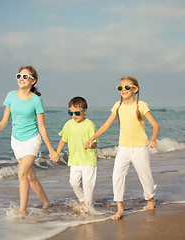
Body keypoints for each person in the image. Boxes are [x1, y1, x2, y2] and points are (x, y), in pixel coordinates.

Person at [84, 76, 160, 220]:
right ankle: (119, 209)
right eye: (120, 87)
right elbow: (106, 125)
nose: (123, 90)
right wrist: (91, 139)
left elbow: (155, 125)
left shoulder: (141, 105)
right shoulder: (117, 106)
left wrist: (153, 139)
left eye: (127, 87)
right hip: (123, 148)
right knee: (117, 176)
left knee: (145, 176)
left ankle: (150, 199)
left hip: (140, 148)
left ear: (135, 89)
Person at [0, 65, 58, 214]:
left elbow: (42, 127)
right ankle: (46, 202)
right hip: (16, 141)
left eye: (25, 76)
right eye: (19, 76)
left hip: (32, 140)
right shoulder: (11, 96)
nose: (21, 79)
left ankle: (22, 211)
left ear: (33, 81)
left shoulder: (36, 100)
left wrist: (51, 150)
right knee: (30, 177)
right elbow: (4, 120)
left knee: (21, 174)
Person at [51, 97, 98, 212]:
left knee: (88, 184)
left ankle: (89, 207)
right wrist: (57, 153)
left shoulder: (90, 125)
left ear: (84, 111)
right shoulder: (68, 124)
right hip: (74, 160)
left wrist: (90, 145)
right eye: (70, 113)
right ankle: (82, 200)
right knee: (73, 182)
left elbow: (95, 144)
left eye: (77, 113)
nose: (74, 115)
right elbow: (63, 140)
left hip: (88, 160)